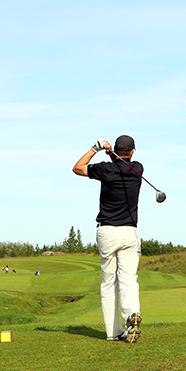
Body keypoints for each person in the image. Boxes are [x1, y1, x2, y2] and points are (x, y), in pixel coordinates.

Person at [72, 135, 143, 343]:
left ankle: (113, 332)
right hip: (129, 232)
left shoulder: (105, 169)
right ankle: (132, 314)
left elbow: (78, 168)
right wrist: (113, 154)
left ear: (116, 151)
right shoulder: (138, 168)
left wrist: (96, 148)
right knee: (129, 278)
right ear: (132, 152)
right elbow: (122, 162)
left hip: (107, 232)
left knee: (108, 282)